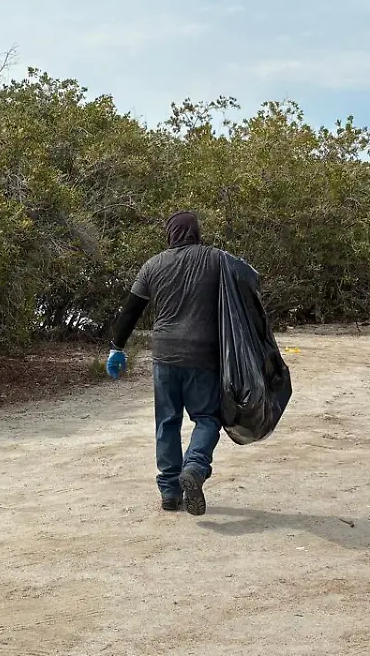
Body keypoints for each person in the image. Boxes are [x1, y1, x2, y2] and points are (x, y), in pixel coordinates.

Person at [106, 211, 227, 517]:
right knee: (207, 417)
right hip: (203, 355)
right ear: (197, 233)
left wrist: (116, 347)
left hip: (164, 355)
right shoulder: (217, 259)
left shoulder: (153, 265)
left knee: (167, 421)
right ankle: (196, 468)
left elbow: (130, 310)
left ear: (170, 234)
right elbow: (248, 286)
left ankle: (170, 493)